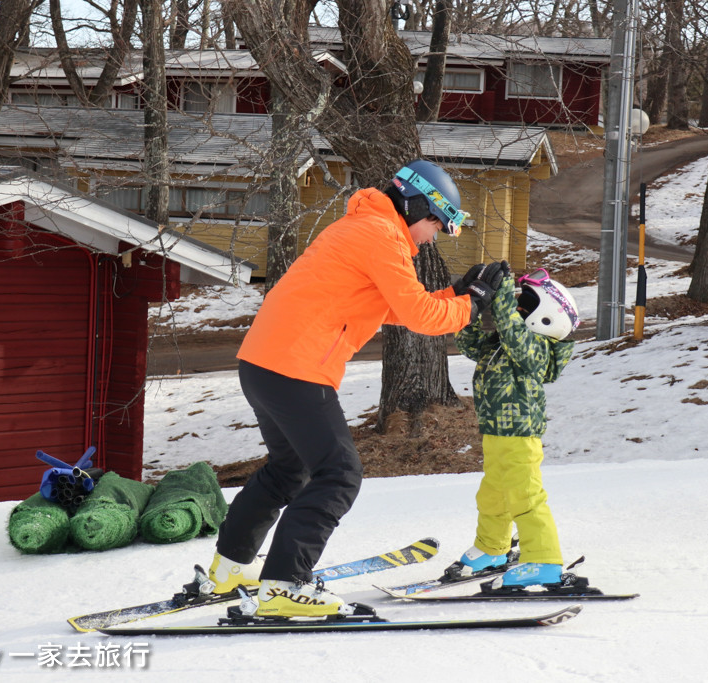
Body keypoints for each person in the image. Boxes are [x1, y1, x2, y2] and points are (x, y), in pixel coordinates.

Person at [206, 159, 505, 618]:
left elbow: (394, 308)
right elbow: (421, 318)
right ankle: (285, 585)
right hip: (295, 367)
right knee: (339, 474)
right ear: (417, 206)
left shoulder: (366, 226)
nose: (431, 236)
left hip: (264, 363)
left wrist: (456, 293)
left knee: (289, 470)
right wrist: (472, 304)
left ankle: (229, 569)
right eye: (434, 224)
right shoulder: (381, 237)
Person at [450, 267, 579, 589]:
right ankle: (492, 548)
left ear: (546, 317)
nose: (517, 311)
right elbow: (469, 343)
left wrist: (505, 293)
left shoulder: (537, 346)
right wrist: (467, 300)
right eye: (518, 305)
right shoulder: (503, 342)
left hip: (520, 435)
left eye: (525, 306)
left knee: (525, 496)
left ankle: (544, 560)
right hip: (495, 433)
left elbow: (513, 332)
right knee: (492, 495)